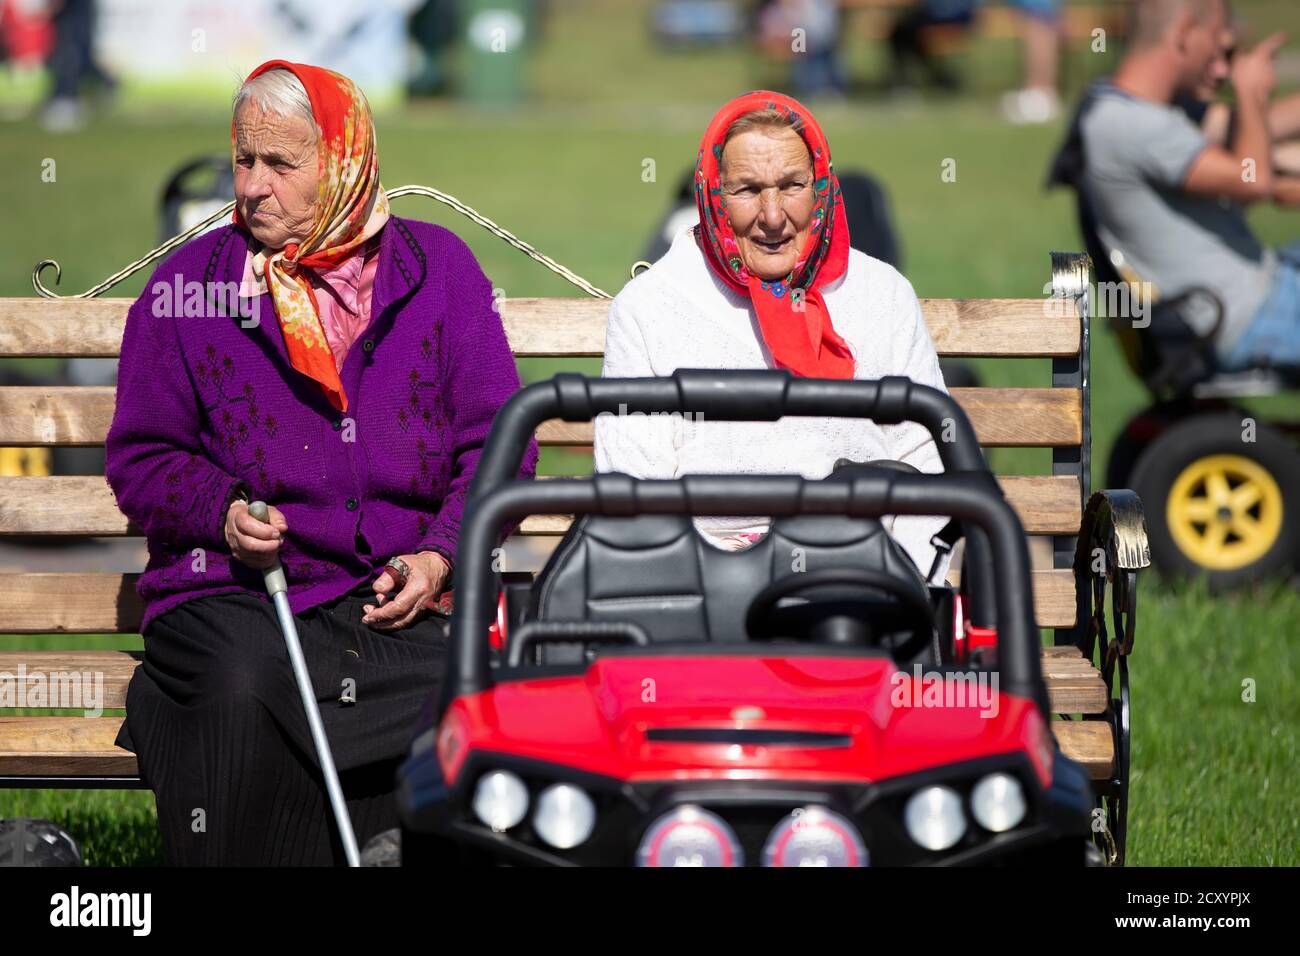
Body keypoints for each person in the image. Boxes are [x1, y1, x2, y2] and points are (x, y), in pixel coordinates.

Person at [106, 60, 537, 866]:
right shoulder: (187, 291)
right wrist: (221, 512)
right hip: (237, 597)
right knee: (241, 688)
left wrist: (442, 554)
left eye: (282, 163)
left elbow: (501, 442)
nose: (254, 187)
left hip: (388, 601)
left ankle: (396, 847)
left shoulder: (437, 272)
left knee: (475, 692)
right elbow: (142, 456)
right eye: (244, 159)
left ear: (342, 161)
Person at [594, 90, 950, 576]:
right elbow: (633, 488)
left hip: (862, 577)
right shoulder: (648, 306)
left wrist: (901, 586)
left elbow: (924, 460)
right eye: (746, 190)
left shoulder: (882, 294)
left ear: (821, 183)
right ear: (712, 194)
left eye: (792, 185)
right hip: (702, 582)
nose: (774, 216)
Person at [1073, 0, 1300, 371]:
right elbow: (1253, 178)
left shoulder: (1127, 110)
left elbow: (1246, 135)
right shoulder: (1133, 125)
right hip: (1253, 315)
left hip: (1260, 298)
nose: (1222, 66)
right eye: (1217, 45)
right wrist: (1250, 91)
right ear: (1183, 34)